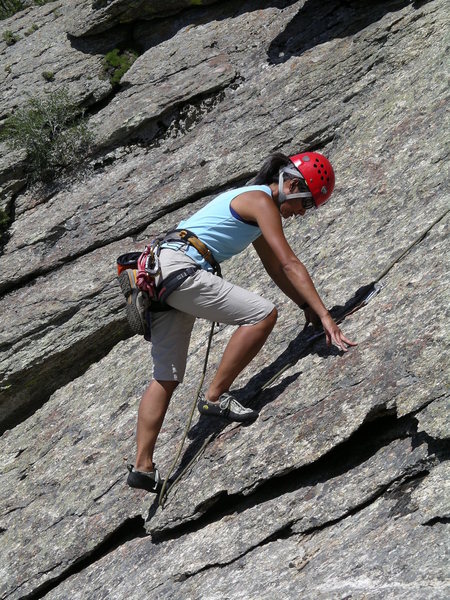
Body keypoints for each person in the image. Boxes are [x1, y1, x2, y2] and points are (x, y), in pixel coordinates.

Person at [127, 151, 357, 492]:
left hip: (159, 274)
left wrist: (302, 305)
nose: (301, 213)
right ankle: (215, 397)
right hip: (180, 270)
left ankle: (142, 467)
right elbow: (290, 263)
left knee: (166, 377)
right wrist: (325, 315)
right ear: (292, 184)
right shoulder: (260, 201)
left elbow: (275, 268)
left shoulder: (253, 206)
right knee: (262, 314)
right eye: (304, 204)